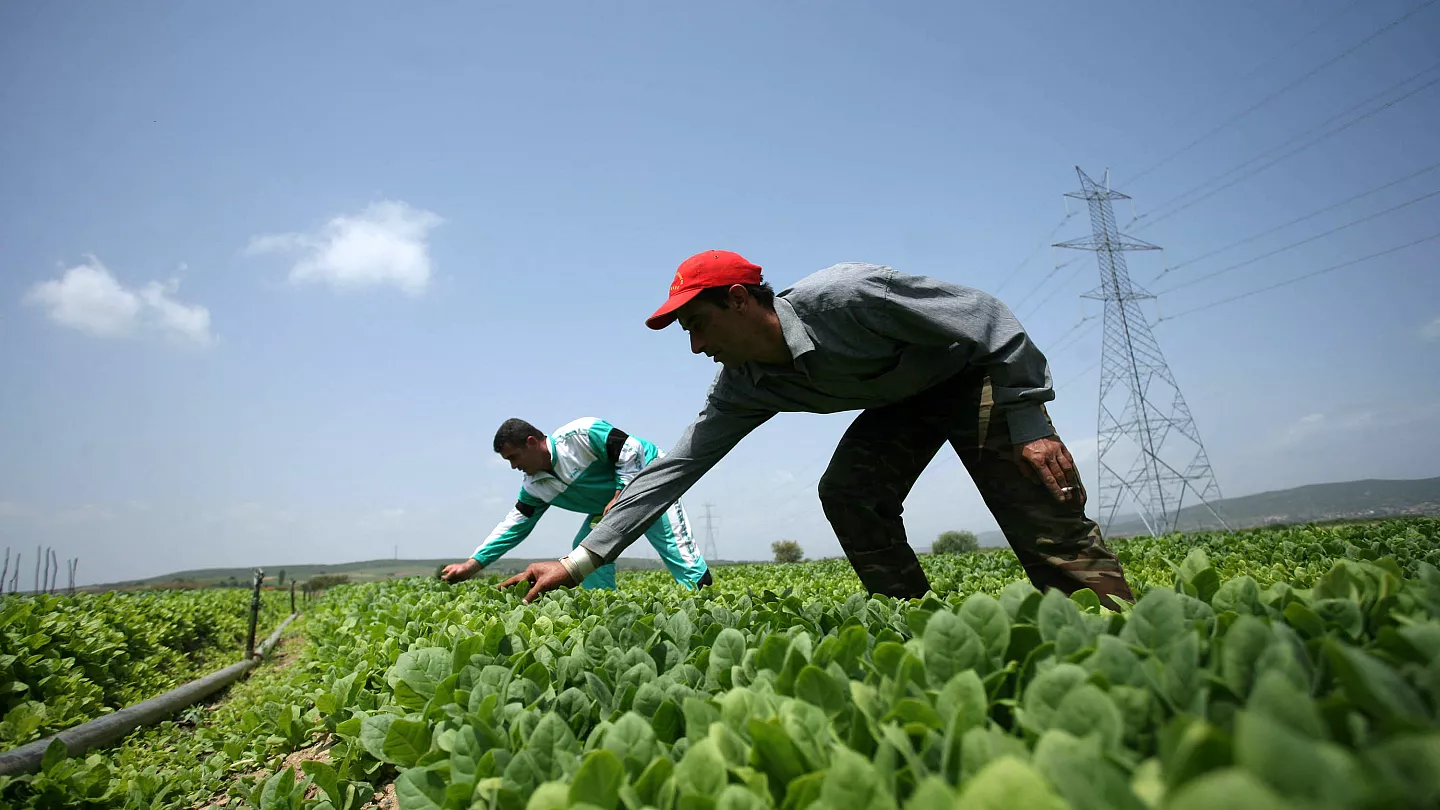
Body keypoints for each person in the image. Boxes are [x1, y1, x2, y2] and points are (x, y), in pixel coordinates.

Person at [500, 250, 1136, 610]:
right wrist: (579, 560)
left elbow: (986, 318)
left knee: (1034, 497)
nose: (695, 347)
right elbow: (674, 468)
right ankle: (913, 616)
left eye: (698, 325)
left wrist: (1030, 421)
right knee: (848, 491)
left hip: (971, 376)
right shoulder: (746, 383)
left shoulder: (848, 296)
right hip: (901, 402)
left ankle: (1109, 621)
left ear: (740, 301)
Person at [442, 416, 713, 590]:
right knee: (583, 549)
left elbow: (631, 449)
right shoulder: (534, 486)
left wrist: (619, 494)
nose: (514, 466)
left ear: (532, 442)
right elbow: (513, 526)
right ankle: (604, 605)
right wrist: (471, 565)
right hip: (608, 507)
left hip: (649, 483)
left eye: (514, 457)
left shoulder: (580, 434)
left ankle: (705, 606)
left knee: (678, 551)